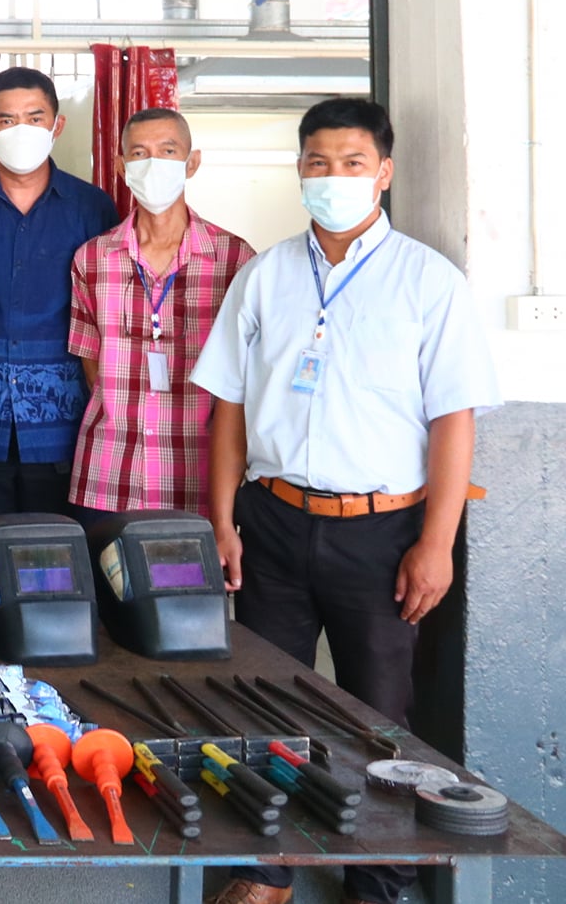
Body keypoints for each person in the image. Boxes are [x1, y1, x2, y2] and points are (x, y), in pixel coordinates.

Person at [193, 98, 497, 904]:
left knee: (380, 718)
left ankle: (379, 879)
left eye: (352, 163)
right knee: (263, 705)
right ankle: (266, 871)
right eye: (318, 163)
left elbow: (453, 420)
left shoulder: (429, 282)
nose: (334, 177)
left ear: (383, 173)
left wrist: (436, 542)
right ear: (299, 171)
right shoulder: (265, 276)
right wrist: (223, 520)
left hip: (382, 530)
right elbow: (228, 407)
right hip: (272, 521)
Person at [0, 67, 117, 556]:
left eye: (35, 117)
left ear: (57, 125)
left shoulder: (92, 208)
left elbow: (108, 317)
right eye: (6, 120)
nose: (20, 129)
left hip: (63, 434)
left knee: (56, 570)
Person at [67, 107, 255, 525]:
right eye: (139, 153)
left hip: (199, 477)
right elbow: (91, 364)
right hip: (108, 475)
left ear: (192, 163)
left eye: (168, 151)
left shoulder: (234, 259)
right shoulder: (92, 259)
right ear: (121, 167)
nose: (153, 164)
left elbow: (246, 374)